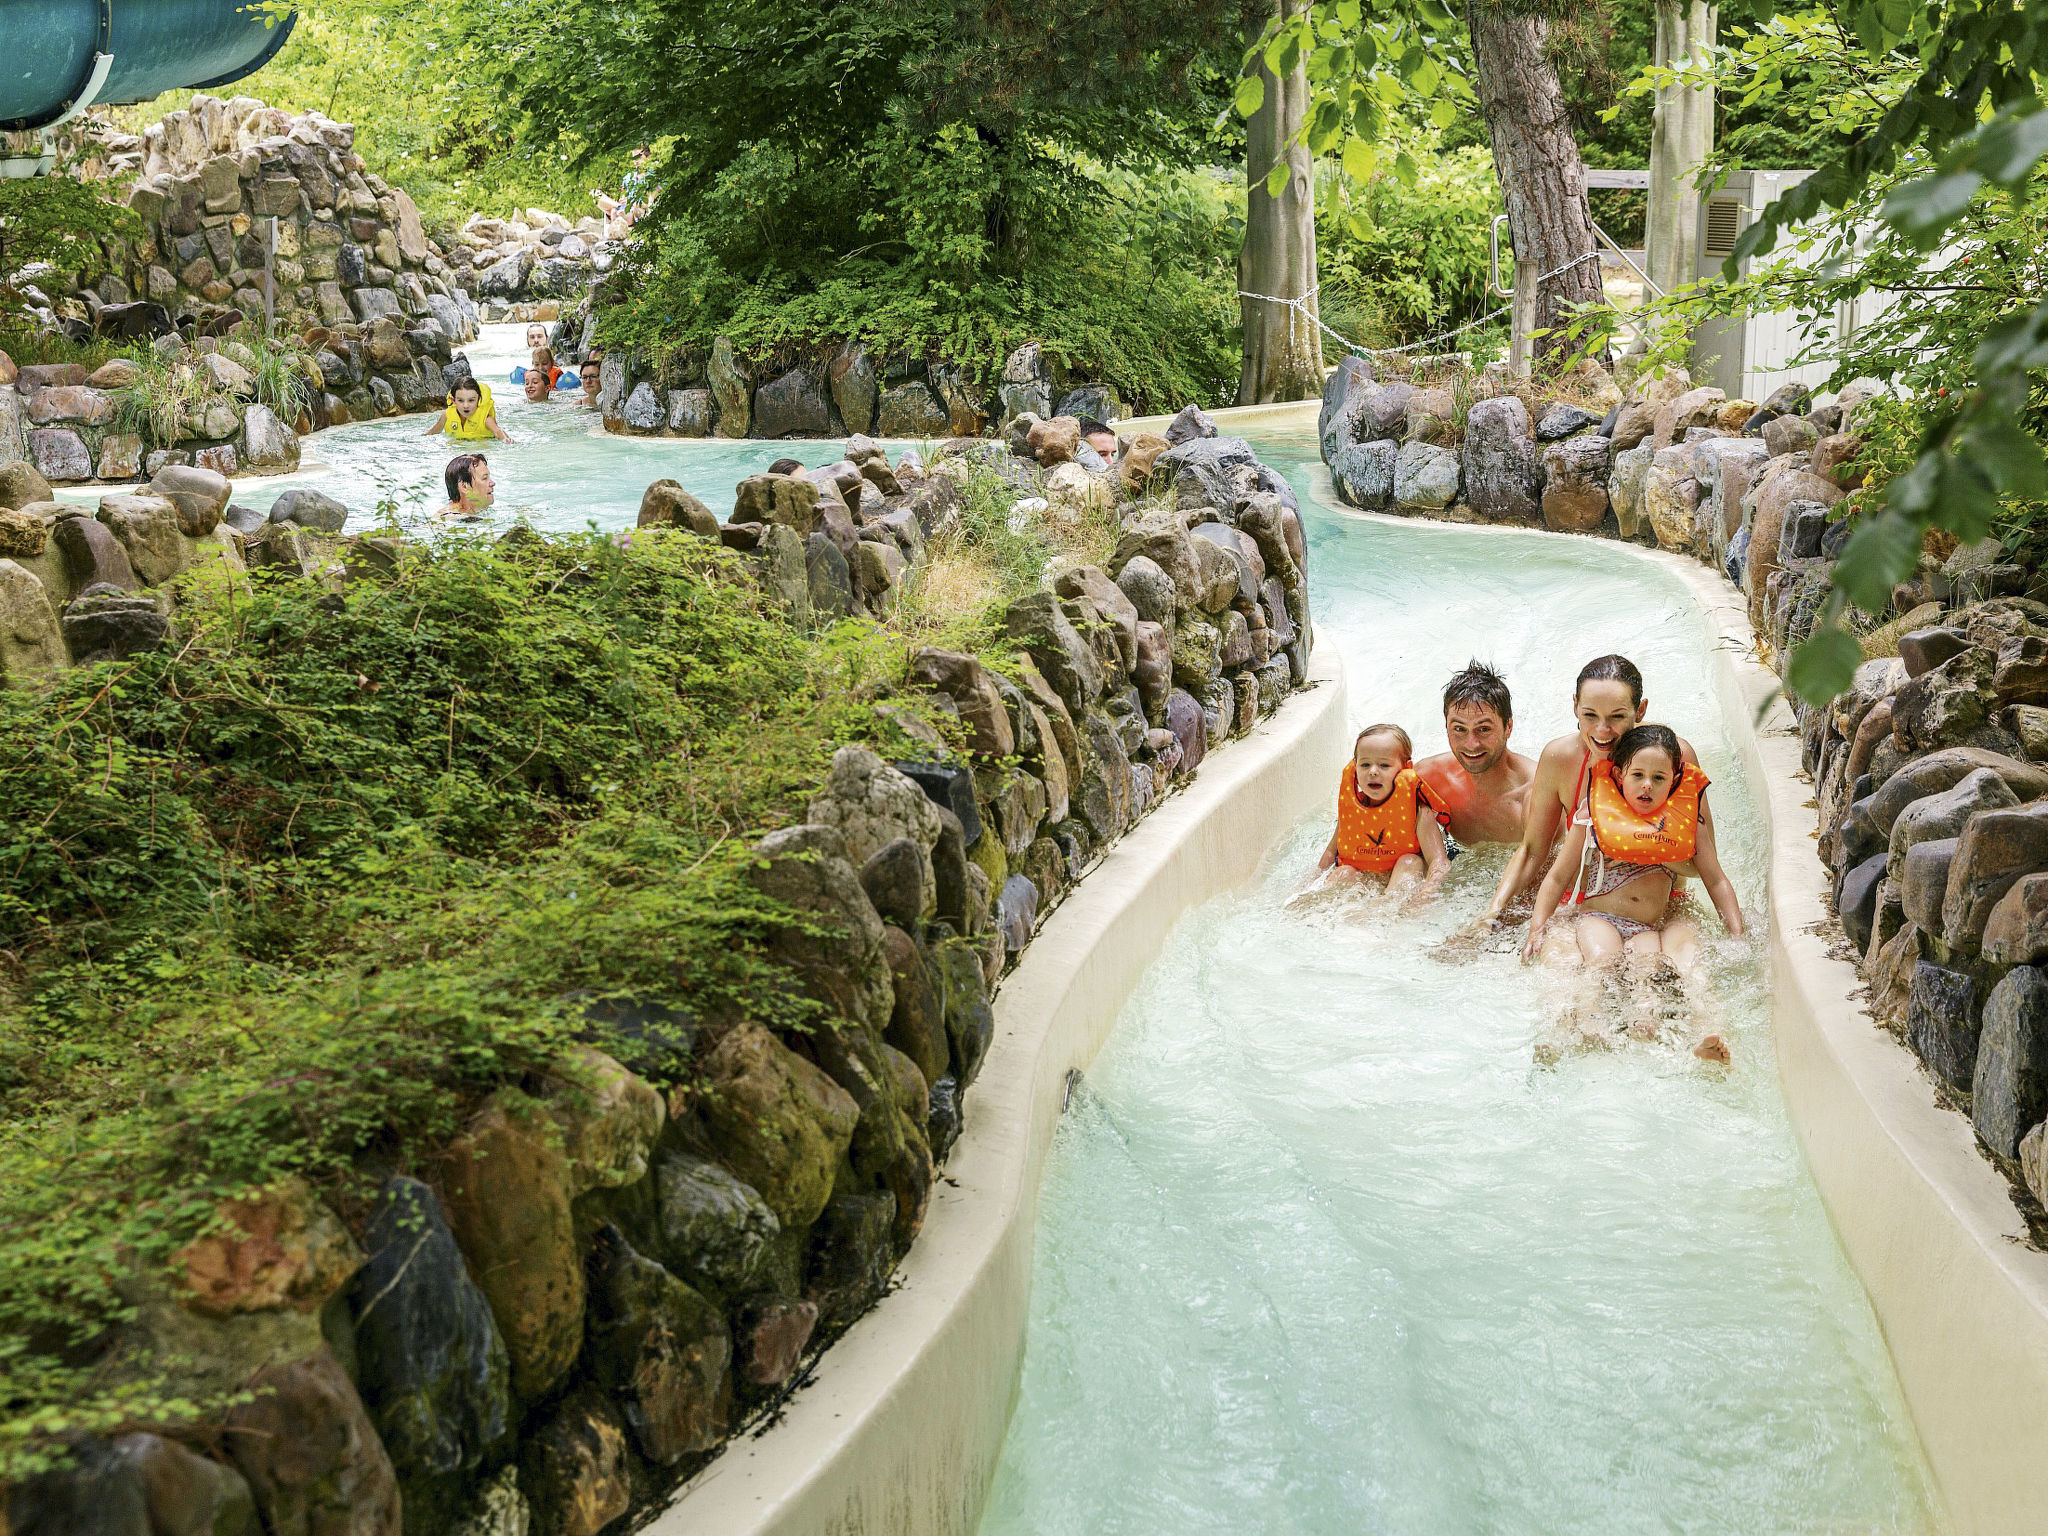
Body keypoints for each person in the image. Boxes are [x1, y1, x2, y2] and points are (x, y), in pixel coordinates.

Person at [1485, 654, 1713, 923]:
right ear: (1575, 706)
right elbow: (1533, 851)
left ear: (1640, 710)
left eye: (1617, 716)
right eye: (1590, 715)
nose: (1602, 731)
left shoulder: (1672, 757)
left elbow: (1703, 866)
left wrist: (1638, 845)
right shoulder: (1560, 758)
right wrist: (1490, 914)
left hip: (1661, 910)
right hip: (1583, 907)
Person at [1315, 724, 1452, 901]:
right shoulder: (1353, 809)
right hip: (1364, 884)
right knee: (1344, 872)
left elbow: (1439, 862)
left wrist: (1426, 894)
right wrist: (1309, 887)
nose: (1373, 771)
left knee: (1410, 862)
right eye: (1365, 764)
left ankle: (1390, 912)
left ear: (1405, 768)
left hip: (1400, 886)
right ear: (1355, 767)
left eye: (1384, 765)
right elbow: (1329, 854)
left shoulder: (1419, 812)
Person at [1416, 661, 1536, 847]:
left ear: (1508, 727)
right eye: (1459, 729)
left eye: (1484, 729)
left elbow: (1545, 866)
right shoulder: (1429, 778)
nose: (1471, 744)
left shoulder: (1533, 791)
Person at [426, 380, 509, 443]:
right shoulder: (446, 416)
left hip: (480, 452)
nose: (466, 405)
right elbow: (432, 433)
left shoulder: (486, 419)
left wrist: (506, 440)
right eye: (460, 400)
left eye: (471, 400)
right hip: (456, 453)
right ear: (453, 400)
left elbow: (498, 432)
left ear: (479, 399)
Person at [439, 453, 495, 518]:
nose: (492, 483)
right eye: (484, 478)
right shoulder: (447, 519)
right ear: (464, 486)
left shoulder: (475, 512)